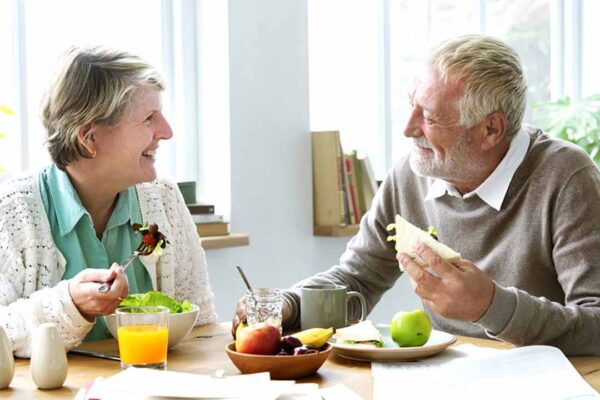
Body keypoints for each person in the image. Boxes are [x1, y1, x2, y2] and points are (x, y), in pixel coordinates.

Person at [233, 35, 600, 355]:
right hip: (444, 373)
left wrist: (490, 305)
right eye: (411, 105)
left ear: (491, 128)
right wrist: (288, 304)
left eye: (429, 116)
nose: (408, 129)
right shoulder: (413, 172)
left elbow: (596, 324)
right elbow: (357, 278)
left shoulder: (567, 176)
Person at [0, 46, 217, 358]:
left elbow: (201, 326)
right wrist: (71, 304)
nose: (166, 131)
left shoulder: (163, 198)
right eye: (148, 118)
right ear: (89, 139)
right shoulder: (13, 210)